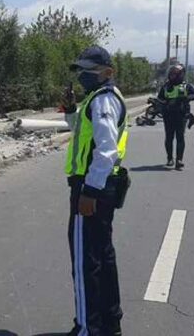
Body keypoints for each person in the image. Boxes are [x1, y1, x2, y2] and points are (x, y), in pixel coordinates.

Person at [61, 46, 130, 336]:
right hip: (103, 186)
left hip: (91, 187)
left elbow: (106, 150)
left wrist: (89, 190)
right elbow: (83, 132)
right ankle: (109, 324)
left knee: (85, 263)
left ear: (107, 72)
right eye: (81, 70)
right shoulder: (98, 99)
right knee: (102, 256)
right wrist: (71, 111)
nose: (83, 76)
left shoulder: (103, 100)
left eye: (89, 71)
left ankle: (88, 328)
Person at [158, 64, 194, 170]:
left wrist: (185, 98)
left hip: (181, 116)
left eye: (174, 74)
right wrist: (167, 103)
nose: (172, 76)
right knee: (169, 137)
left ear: (180, 75)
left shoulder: (186, 86)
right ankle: (169, 158)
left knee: (180, 137)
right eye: (171, 74)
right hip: (169, 116)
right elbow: (159, 98)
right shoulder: (166, 86)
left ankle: (179, 160)